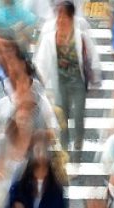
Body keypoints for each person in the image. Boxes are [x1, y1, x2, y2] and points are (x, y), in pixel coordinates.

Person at [34, 1, 100, 156]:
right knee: (62, 120)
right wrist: (40, 83)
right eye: (59, 16)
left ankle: (77, 147)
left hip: (78, 83)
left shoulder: (80, 34)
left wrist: (95, 77)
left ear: (71, 18)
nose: (61, 20)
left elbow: (91, 54)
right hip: (60, 84)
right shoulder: (49, 35)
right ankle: (65, 151)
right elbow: (41, 62)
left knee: (78, 118)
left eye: (64, 16)